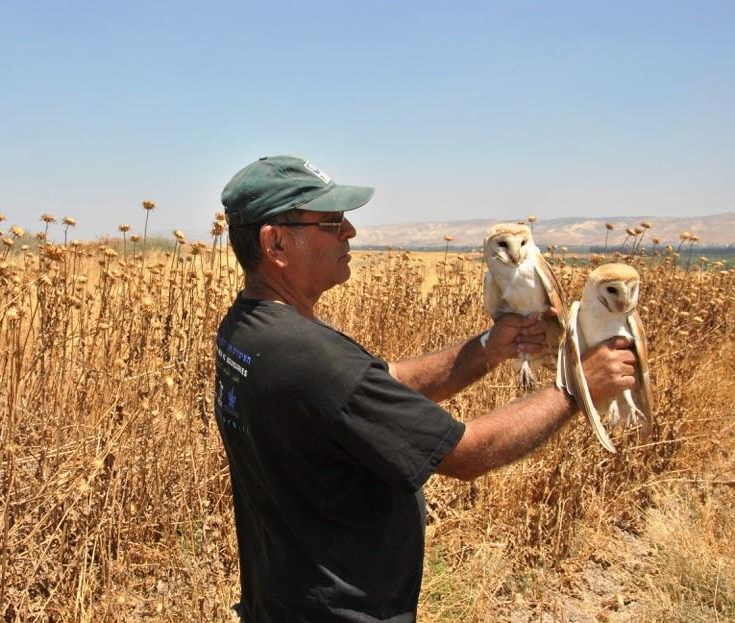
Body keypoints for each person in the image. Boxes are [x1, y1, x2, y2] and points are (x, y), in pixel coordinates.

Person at [214, 155, 638, 623]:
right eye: (331, 222)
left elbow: (378, 388)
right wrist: (577, 388)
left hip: (282, 601)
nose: (350, 231)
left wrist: (487, 348)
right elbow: (466, 453)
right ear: (275, 243)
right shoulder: (311, 357)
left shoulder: (246, 330)